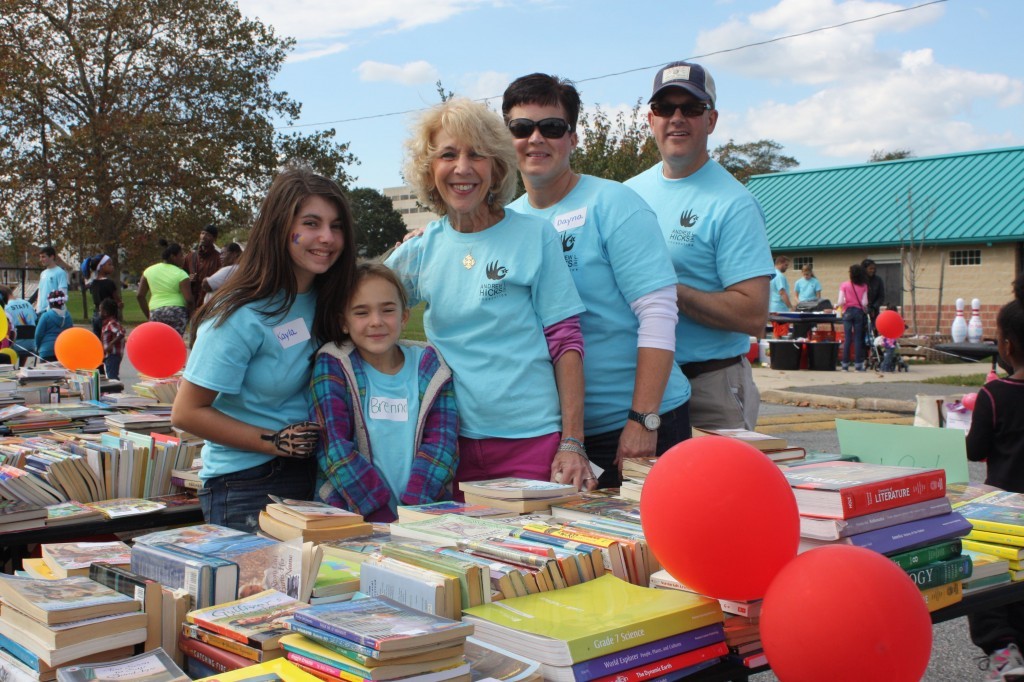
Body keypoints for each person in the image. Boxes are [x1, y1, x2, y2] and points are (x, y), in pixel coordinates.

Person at [385, 97, 591, 491]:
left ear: (496, 167)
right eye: (448, 154)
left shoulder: (534, 236)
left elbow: (566, 343)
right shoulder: (418, 250)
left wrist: (572, 441)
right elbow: (359, 310)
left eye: (476, 155)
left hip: (532, 440)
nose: (462, 168)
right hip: (446, 445)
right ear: (430, 170)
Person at [501, 73, 690, 488]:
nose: (536, 139)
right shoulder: (508, 222)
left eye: (551, 128)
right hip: (561, 435)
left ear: (572, 138)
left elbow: (658, 313)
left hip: (640, 423)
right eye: (521, 128)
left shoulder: (615, 204)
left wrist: (643, 418)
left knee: (654, 551)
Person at [171, 168, 356, 532]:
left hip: (321, 476)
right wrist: (277, 443)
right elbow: (187, 412)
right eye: (311, 223)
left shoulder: (333, 299)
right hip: (249, 483)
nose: (326, 237)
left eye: (336, 226)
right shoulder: (241, 313)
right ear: (279, 227)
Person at [625, 61, 774, 431]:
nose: (677, 118)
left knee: (718, 490)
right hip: (638, 386)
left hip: (710, 387)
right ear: (650, 120)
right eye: (665, 108)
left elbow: (752, 314)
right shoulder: (626, 195)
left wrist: (664, 292)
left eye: (691, 108)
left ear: (711, 120)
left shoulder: (734, 203)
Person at [310, 264, 458, 522]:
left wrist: (414, 511)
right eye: (361, 312)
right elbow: (332, 445)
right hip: (349, 519)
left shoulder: (430, 366)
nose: (376, 321)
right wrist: (379, 513)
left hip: (421, 519)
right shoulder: (333, 364)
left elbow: (442, 444)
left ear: (404, 317)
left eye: (387, 310)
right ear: (343, 322)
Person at [966, 275, 1024, 680]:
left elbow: (973, 450)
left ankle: (1004, 651)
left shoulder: (994, 396)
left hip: (1006, 511)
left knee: (988, 579)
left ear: (1006, 346)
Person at [137, 240, 193, 337]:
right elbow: (189, 299)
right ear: (173, 257)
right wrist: (190, 315)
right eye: (181, 255)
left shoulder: (148, 271)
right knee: (175, 342)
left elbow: (140, 295)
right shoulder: (181, 274)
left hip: (156, 311)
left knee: (159, 343)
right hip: (177, 312)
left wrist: (149, 315)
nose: (183, 258)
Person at [837, 263, 869, 371]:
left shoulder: (844, 285)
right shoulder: (864, 286)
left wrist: (838, 306)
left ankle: (845, 364)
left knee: (848, 338)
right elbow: (865, 302)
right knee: (858, 339)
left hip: (847, 312)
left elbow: (841, 301)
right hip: (859, 312)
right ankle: (858, 364)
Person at [86, 254, 123, 336]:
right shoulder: (109, 283)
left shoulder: (93, 283)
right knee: (109, 340)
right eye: (109, 264)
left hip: (96, 315)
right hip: (109, 317)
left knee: (98, 340)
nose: (112, 267)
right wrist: (120, 304)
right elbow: (117, 300)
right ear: (101, 267)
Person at [34, 290, 73, 362]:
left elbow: (38, 334)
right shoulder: (68, 316)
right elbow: (70, 334)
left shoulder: (46, 316)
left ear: (50, 303)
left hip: (46, 350)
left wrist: (37, 346)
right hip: (63, 350)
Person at [1, 286, 37, 363]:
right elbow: (35, 319)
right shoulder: (28, 304)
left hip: (15, 346)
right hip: (31, 344)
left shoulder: (6, 308)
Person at [189, 224, 222, 308]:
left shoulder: (219, 258)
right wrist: (189, 279)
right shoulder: (190, 257)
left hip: (210, 302)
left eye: (208, 235)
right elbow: (181, 276)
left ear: (214, 239)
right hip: (192, 303)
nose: (203, 237)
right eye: (202, 233)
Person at [36, 246, 69, 315]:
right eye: (40, 257)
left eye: (43, 257)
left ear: (52, 257)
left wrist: (51, 309)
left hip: (52, 312)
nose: (41, 259)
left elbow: (62, 294)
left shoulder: (60, 272)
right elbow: (40, 292)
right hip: (41, 311)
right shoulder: (43, 273)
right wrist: (38, 308)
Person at [99, 297, 126, 380]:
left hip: (113, 355)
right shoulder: (107, 324)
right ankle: (113, 390)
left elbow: (121, 332)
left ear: (106, 312)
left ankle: (115, 391)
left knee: (112, 377)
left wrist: (111, 344)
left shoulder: (112, 323)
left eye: (100, 310)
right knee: (110, 376)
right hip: (108, 355)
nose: (99, 312)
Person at [769, 255, 793, 339]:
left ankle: (773, 351)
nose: (786, 268)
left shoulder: (771, 275)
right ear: (780, 263)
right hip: (780, 310)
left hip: (772, 308)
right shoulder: (779, 276)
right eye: (786, 265)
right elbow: (782, 292)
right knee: (779, 334)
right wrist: (790, 307)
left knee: (776, 331)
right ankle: (777, 351)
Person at [862, 258, 885, 332]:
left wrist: (874, 307)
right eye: (870, 268)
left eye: (874, 268)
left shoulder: (878, 280)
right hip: (862, 310)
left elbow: (881, 296)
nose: (872, 270)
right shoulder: (860, 280)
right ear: (865, 269)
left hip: (874, 311)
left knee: (874, 330)